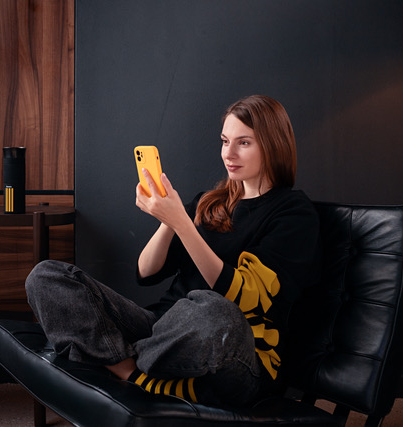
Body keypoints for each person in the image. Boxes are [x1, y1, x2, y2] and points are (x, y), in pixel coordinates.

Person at [25, 94, 321, 406]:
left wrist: (182, 222)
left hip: (234, 352)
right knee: (47, 277)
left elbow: (246, 297)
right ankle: (129, 368)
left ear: (273, 145)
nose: (228, 153)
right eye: (224, 141)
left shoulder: (294, 213)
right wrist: (167, 221)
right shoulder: (209, 201)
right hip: (164, 332)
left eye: (243, 143)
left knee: (213, 309)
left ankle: (117, 361)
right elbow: (146, 273)